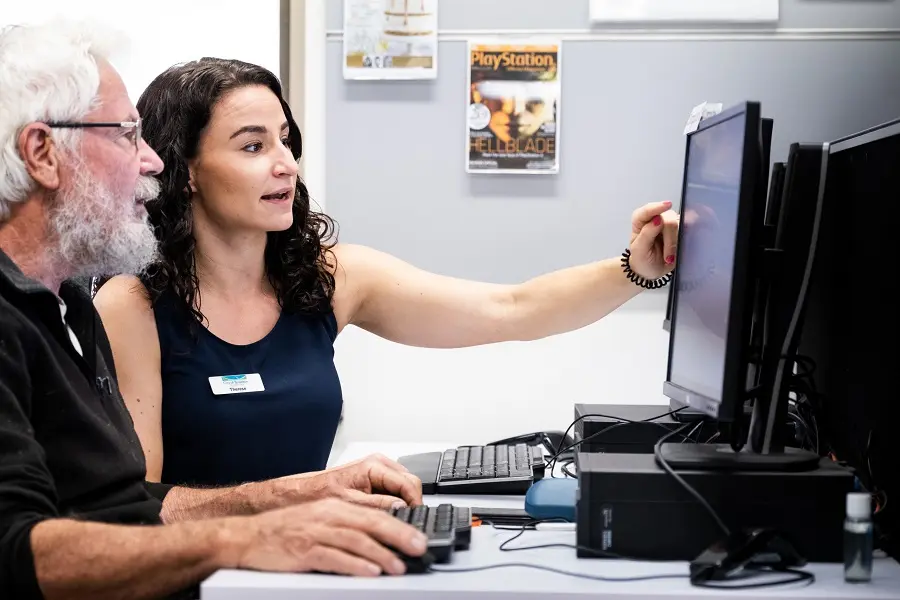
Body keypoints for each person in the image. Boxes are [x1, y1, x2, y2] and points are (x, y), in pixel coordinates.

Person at [94, 56, 681, 489]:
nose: (286, 164)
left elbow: (514, 309)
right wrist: (296, 502)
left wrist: (635, 269)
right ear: (187, 170)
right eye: (252, 147)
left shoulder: (330, 278)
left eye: (286, 141)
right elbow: (136, 505)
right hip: (207, 577)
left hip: (313, 563)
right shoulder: (133, 305)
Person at [0, 20, 430, 600]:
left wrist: (295, 496)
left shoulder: (68, 307)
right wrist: (241, 540)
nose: (153, 162)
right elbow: (15, 549)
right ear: (42, 153)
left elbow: (125, 505)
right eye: (127, 134)